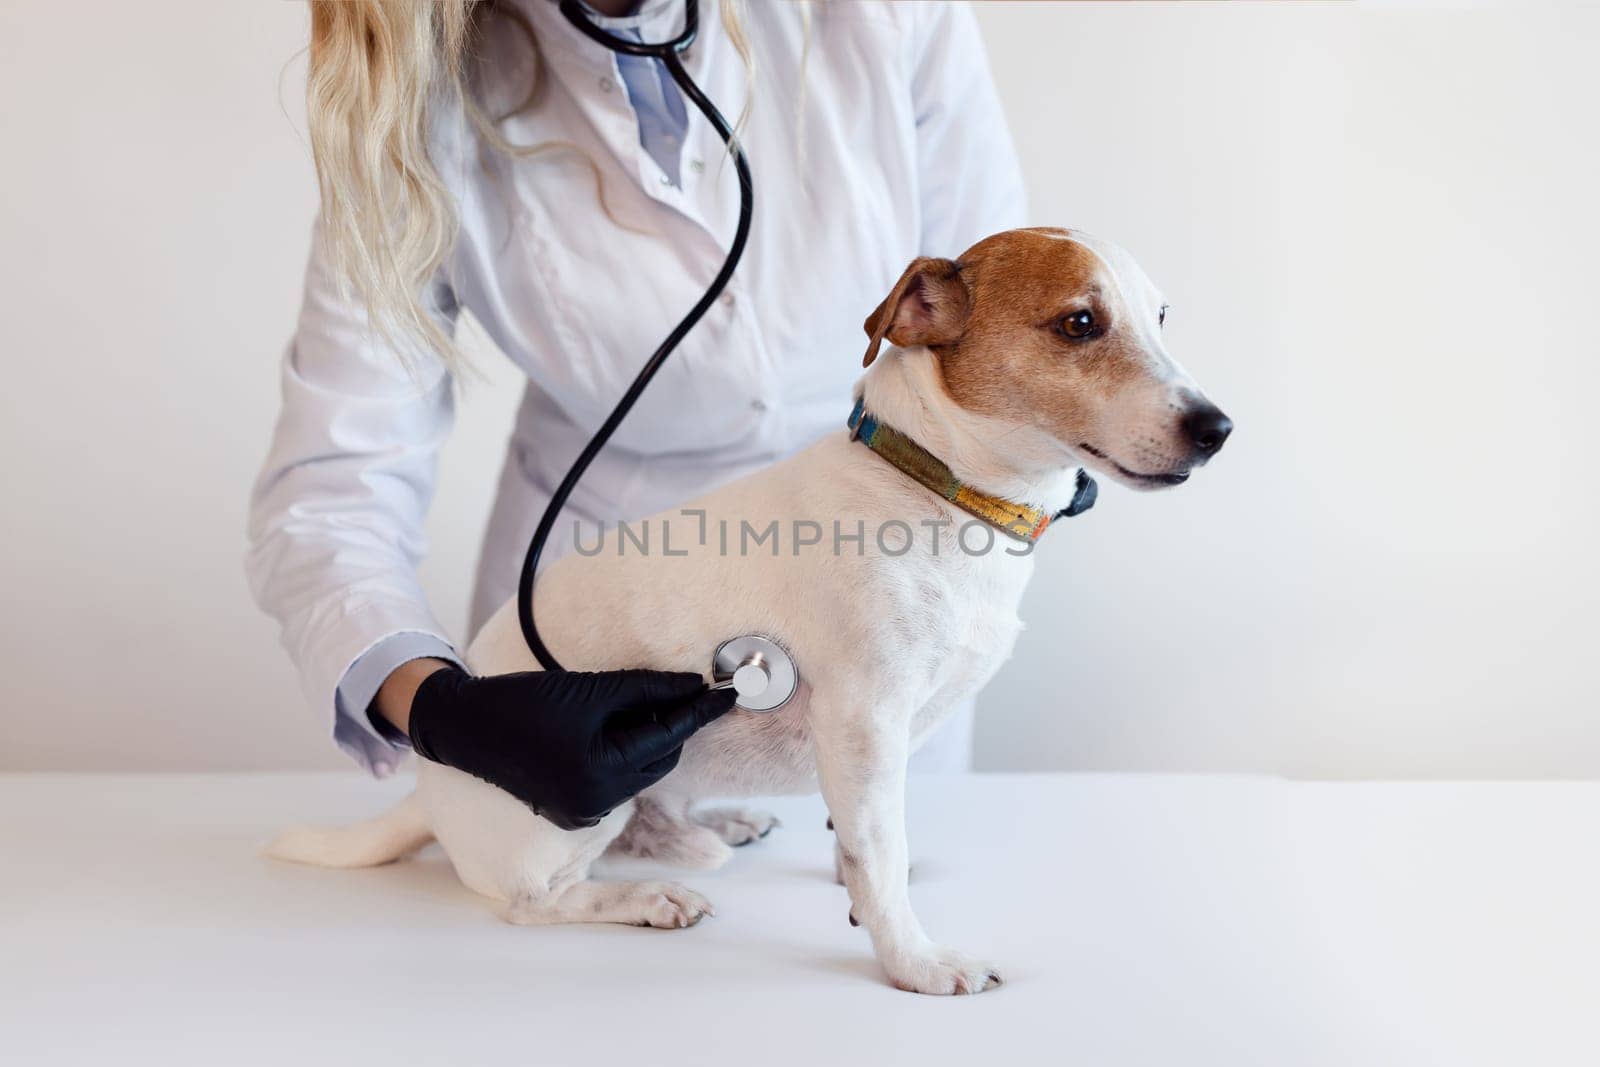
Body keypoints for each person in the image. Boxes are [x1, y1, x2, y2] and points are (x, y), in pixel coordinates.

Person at [247, 0, 1024, 830]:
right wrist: (447, 713)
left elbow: (1006, 316)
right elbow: (334, 491)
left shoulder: (885, 15)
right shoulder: (414, 93)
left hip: (897, 595)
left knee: (898, 926)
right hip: (600, 639)